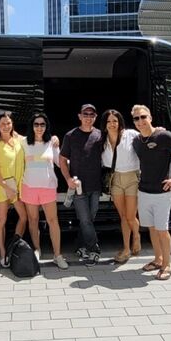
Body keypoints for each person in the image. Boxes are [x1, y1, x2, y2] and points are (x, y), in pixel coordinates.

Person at [131, 104, 171, 281]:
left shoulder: (164, 136)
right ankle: (158, 260)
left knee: (162, 230)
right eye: (136, 118)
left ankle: (167, 265)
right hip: (144, 191)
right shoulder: (136, 141)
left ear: (150, 117)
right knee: (152, 229)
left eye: (143, 117)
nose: (140, 121)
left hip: (162, 193)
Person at [58, 103, 103, 265]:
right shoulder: (71, 136)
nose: (88, 117)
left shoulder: (100, 135)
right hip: (78, 187)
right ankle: (94, 249)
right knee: (85, 220)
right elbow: (62, 160)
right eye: (85, 114)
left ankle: (80, 246)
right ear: (79, 116)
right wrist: (68, 179)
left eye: (92, 114)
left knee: (89, 219)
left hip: (96, 186)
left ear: (95, 117)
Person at [22, 112, 68, 270]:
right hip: (28, 187)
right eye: (36, 124)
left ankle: (57, 255)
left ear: (46, 126)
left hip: (48, 187)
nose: (39, 127)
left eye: (42, 124)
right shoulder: (23, 142)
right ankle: (37, 250)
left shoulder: (52, 143)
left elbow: (60, 162)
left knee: (53, 221)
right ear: (32, 126)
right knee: (33, 221)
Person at [100, 108, 141, 264]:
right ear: (104, 124)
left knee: (130, 216)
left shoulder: (131, 135)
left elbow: (149, 136)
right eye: (109, 121)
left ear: (120, 122)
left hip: (132, 178)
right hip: (115, 178)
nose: (112, 124)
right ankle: (126, 248)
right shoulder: (102, 141)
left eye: (115, 121)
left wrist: (159, 130)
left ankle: (136, 237)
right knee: (123, 216)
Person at [0, 111, 27, 268]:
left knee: (23, 217)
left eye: (8, 123)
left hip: (17, 186)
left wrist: (54, 138)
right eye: (3, 123)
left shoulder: (18, 139)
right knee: (1, 220)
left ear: (12, 124)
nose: (6, 126)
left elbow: (37, 138)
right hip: (1, 185)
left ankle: (14, 245)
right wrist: (6, 187)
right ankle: (3, 252)